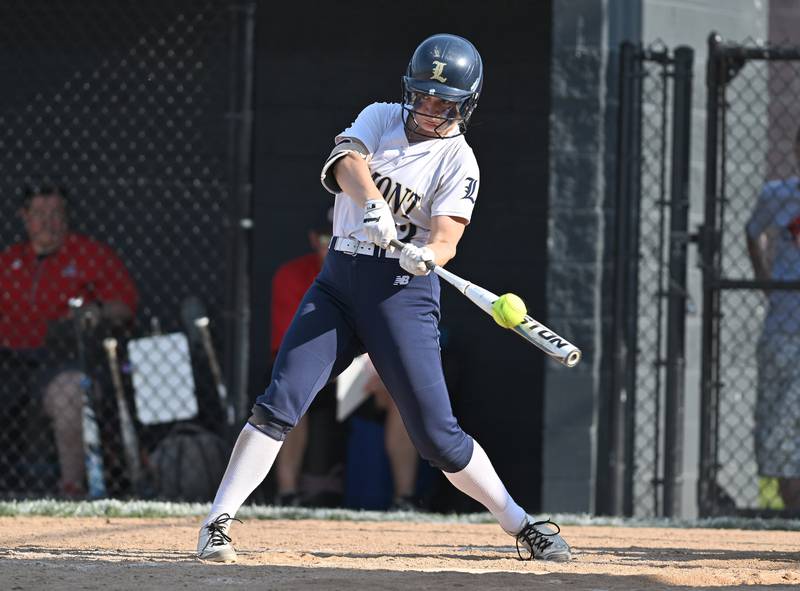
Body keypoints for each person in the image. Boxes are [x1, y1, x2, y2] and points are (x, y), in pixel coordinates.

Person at [197, 33, 571, 562]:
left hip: (402, 292)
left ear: (466, 105)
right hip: (340, 279)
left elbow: (447, 236)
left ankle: (520, 522)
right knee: (280, 400)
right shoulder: (380, 116)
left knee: (438, 438)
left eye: (442, 102)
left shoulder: (458, 162)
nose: (428, 109)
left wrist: (428, 257)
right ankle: (216, 523)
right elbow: (348, 160)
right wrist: (371, 204)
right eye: (421, 96)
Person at [270, 206, 419, 509]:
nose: (329, 245)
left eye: (334, 237)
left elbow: (393, 335)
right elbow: (290, 346)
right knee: (285, 394)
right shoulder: (293, 275)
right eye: (325, 237)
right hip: (318, 368)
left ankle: (405, 499)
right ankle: (286, 495)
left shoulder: (379, 271)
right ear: (314, 239)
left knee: (401, 395)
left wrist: (381, 372)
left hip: (363, 376)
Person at [0, 184, 138, 498]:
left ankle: (72, 490)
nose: (48, 222)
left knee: (70, 391)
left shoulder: (90, 255)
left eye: (55, 214)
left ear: (67, 217)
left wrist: (95, 312)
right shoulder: (9, 262)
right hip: (10, 360)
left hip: (65, 359)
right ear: (24, 217)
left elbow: (124, 306)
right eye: (39, 214)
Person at [745, 126, 800, 511]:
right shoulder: (779, 195)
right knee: (781, 419)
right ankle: (791, 511)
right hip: (786, 325)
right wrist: (767, 281)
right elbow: (754, 233)